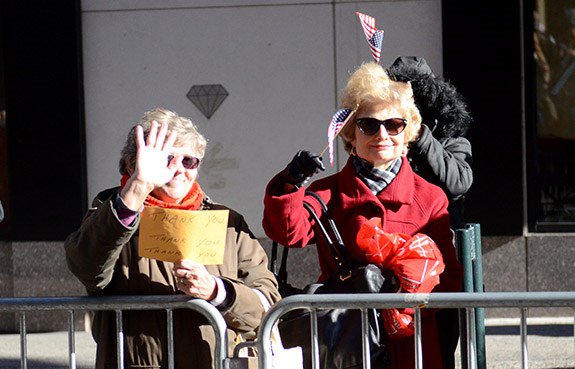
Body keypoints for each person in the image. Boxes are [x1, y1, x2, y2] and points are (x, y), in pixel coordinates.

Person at [263, 62, 463, 369]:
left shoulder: (429, 196)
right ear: (350, 136)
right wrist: (290, 184)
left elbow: (449, 281)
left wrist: (404, 286)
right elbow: (288, 232)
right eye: (368, 125)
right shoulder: (326, 192)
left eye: (394, 124)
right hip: (345, 341)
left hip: (409, 344)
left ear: (407, 132)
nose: (382, 134)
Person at [65, 108, 280, 369]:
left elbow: (267, 305)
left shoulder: (227, 222)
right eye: (167, 159)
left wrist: (216, 291)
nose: (179, 170)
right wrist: (138, 187)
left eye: (189, 161)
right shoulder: (113, 213)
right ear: (133, 164)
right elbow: (87, 267)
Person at [386, 56, 473, 369]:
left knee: (441, 347)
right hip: (392, 260)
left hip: (439, 267)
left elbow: (458, 181)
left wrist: (421, 136)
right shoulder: (385, 137)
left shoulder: (451, 139)